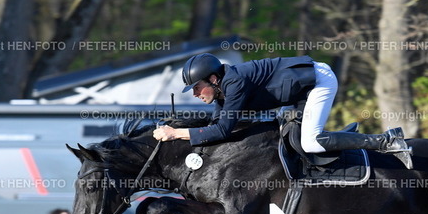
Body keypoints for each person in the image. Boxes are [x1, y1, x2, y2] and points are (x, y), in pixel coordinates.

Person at [153, 53, 413, 168]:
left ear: (212, 79)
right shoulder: (223, 90)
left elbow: (222, 130)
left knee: (310, 142)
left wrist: (176, 134)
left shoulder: (234, 83)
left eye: (197, 88)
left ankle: (387, 141)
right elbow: (215, 127)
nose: (196, 94)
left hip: (318, 82)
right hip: (299, 93)